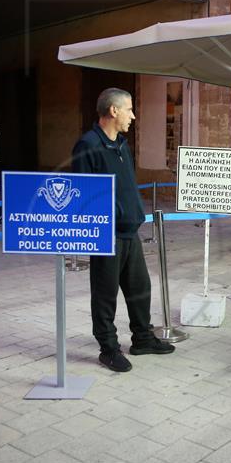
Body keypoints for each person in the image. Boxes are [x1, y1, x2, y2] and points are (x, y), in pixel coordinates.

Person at [72, 88, 174, 373]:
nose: (133, 115)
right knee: (105, 295)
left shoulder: (121, 145)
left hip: (130, 232)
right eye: (129, 109)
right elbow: (83, 194)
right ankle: (108, 349)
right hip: (106, 235)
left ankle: (142, 339)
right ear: (113, 111)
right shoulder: (88, 145)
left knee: (140, 288)